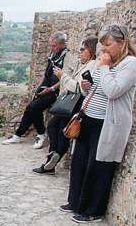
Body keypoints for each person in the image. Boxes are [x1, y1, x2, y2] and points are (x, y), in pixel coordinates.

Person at [61, 24, 136, 223]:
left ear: (122, 44)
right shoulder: (106, 62)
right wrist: (86, 86)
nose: (104, 50)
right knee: (80, 163)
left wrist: (104, 67)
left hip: (108, 123)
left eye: (108, 45)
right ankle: (76, 203)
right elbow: (96, 90)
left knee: (98, 167)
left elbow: (114, 90)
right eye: (102, 46)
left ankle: (92, 211)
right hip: (89, 118)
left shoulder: (130, 64)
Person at [33, 37, 99, 174]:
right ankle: (53, 155)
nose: (80, 52)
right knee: (52, 125)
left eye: (83, 49)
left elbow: (80, 88)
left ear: (91, 50)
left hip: (76, 103)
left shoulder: (93, 65)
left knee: (63, 131)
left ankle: (51, 162)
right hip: (71, 101)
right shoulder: (86, 64)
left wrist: (63, 76)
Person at [3, 32, 68, 148]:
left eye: (54, 46)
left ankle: (41, 134)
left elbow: (65, 77)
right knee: (29, 108)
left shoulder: (66, 57)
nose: (52, 48)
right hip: (45, 87)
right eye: (51, 45)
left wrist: (51, 89)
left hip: (54, 91)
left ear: (63, 44)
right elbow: (46, 72)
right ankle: (17, 136)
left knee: (34, 108)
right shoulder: (53, 55)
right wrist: (38, 88)